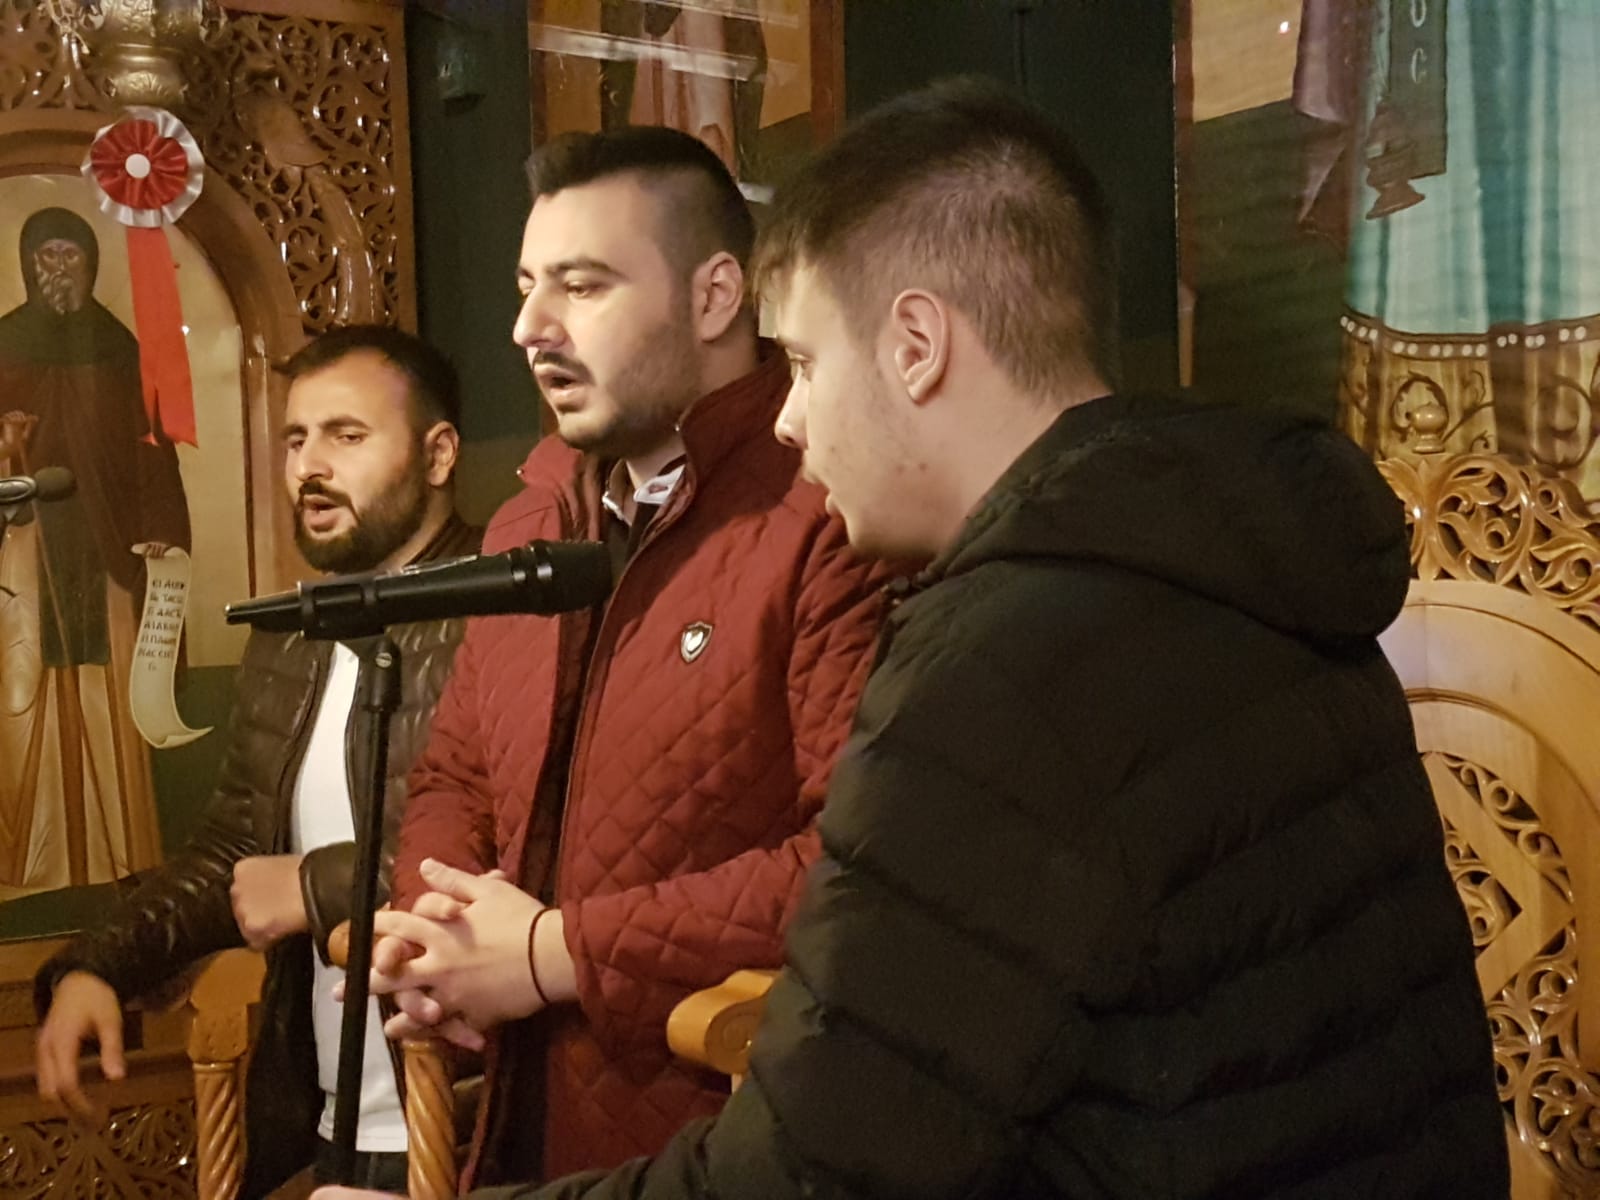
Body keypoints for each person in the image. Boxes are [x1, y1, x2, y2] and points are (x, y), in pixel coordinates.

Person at [318, 77, 1509, 1200]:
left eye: (804, 363)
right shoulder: (1238, 568)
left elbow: (816, 1168)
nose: (789, 419)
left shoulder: (1001, 668)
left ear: (916, 345)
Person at [359, 125, 890, 1189]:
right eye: (526, 288)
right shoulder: (533, 518)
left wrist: (554, 953)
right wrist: (436, 934)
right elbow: (457, 773)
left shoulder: (826, 512)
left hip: (716, 1136)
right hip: (518, 1121)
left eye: (582, 286)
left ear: (716, 295)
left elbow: (852, 861)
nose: (529, 328)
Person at [34, 325, 483, 1197]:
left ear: (438, 455)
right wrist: (99, 965)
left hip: (474, 1115)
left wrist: (314, 886)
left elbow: (525, 852)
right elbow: (234, 854)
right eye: (296, 438)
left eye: (347, 435)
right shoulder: (292, 632)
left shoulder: (507, 613)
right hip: (330, 1116)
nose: (310, 466)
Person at [0, 206, 190, 893]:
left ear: (90, 264)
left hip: (108, 543)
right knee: (24, 688)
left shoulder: (119, 349)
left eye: (70, 256)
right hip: (24, 546)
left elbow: (153, 452)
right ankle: (29, 861)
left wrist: (161, 528)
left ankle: (120, 853)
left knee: (106, 692)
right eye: (46, 256)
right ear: (28, 265)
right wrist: (9, 450)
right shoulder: (3, 345)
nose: (58, 270)